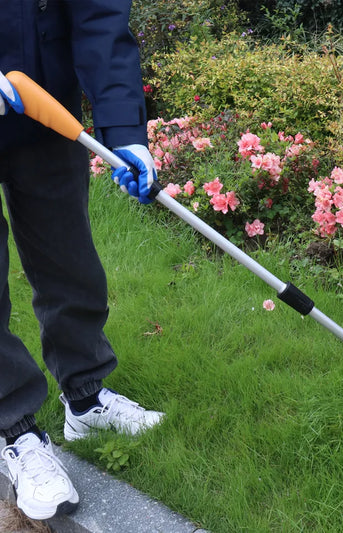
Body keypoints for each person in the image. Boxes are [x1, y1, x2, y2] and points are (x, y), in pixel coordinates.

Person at [0, 1, 164, 521]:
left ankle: (87, 398)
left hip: (42, 108)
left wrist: (126, 134)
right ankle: (13, 429)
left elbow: (100, 20)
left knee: (69, 261)